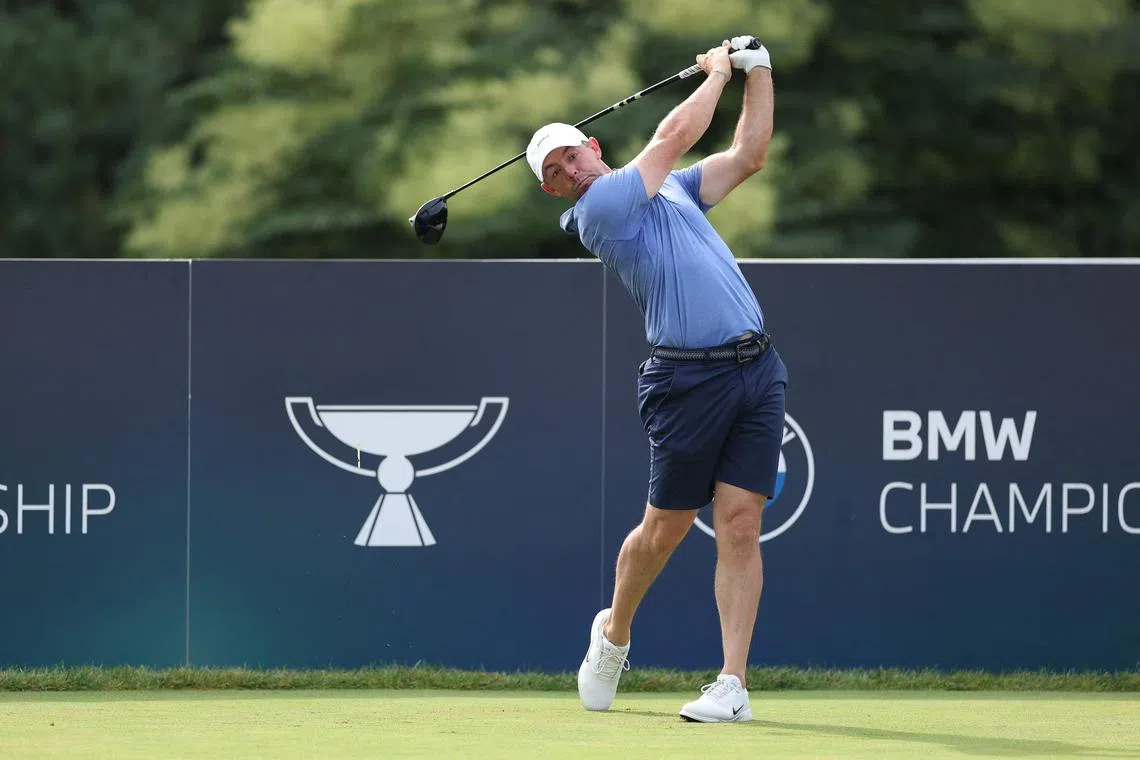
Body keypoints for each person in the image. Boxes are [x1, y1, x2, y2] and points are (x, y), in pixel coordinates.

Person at [524, 37, 785, 722]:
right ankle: (613, 636)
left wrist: (758, 73)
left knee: (739, 524)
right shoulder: (600, 210)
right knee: (664, 530)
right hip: (685, 382)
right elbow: (673, 133)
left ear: (592, 145)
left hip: (757, 369)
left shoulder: (670, 190)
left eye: (569, 154)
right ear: (552, 190)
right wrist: (719, 71)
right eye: (553, 171)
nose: (567, 170)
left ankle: (733, 683)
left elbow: (748, 156)